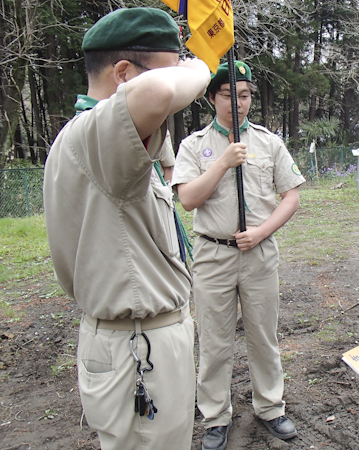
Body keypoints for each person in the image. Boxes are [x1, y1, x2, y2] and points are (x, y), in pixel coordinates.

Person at [43, 8, 211, 450]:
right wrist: (200, 68)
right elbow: (156, 91)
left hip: (138, 342)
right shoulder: (97, 134)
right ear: (123, 73)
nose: (178, 84)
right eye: (170, 67)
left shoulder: (94, 138)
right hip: (140, 348)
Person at [172, 61, 305, 450]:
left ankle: (271, 407)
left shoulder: (269, 142)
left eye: (244, 95)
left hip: (259, 253)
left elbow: (291, 196)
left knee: (264, 335)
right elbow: (188, 199)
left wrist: (262, 231)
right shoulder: (194, 146)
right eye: (229, 95)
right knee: (214, 340)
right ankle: (215, 416)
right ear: (213, 98)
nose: (238, 103)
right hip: (212, 255)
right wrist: (223, 162)